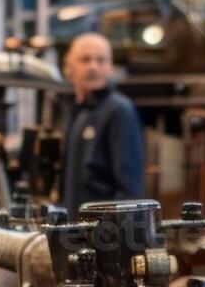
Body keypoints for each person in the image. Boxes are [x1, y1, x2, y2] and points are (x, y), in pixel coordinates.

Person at [59, 33, 145, 207]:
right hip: (76, 227)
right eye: (85, 60)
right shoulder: (76, 110)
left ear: (110, 67)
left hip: (103, 230)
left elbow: (130, 189)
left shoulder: (120, 111)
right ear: (69, 67)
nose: (93, 67)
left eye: (101, 60)